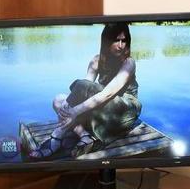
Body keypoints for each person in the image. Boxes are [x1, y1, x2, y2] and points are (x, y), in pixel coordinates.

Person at [39, 22, 142, 157]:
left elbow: (108, 93)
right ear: (107, 40)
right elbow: (84, 89)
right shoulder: (96, 60)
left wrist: (74, 111)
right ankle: (85, 136)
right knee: (58, 100)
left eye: (124, 41)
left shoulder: (129, 62)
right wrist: (69, 107)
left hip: (125, 110)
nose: (121, 45)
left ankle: (57, 137)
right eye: (116, 40)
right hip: (106, 106)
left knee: (79, 89)